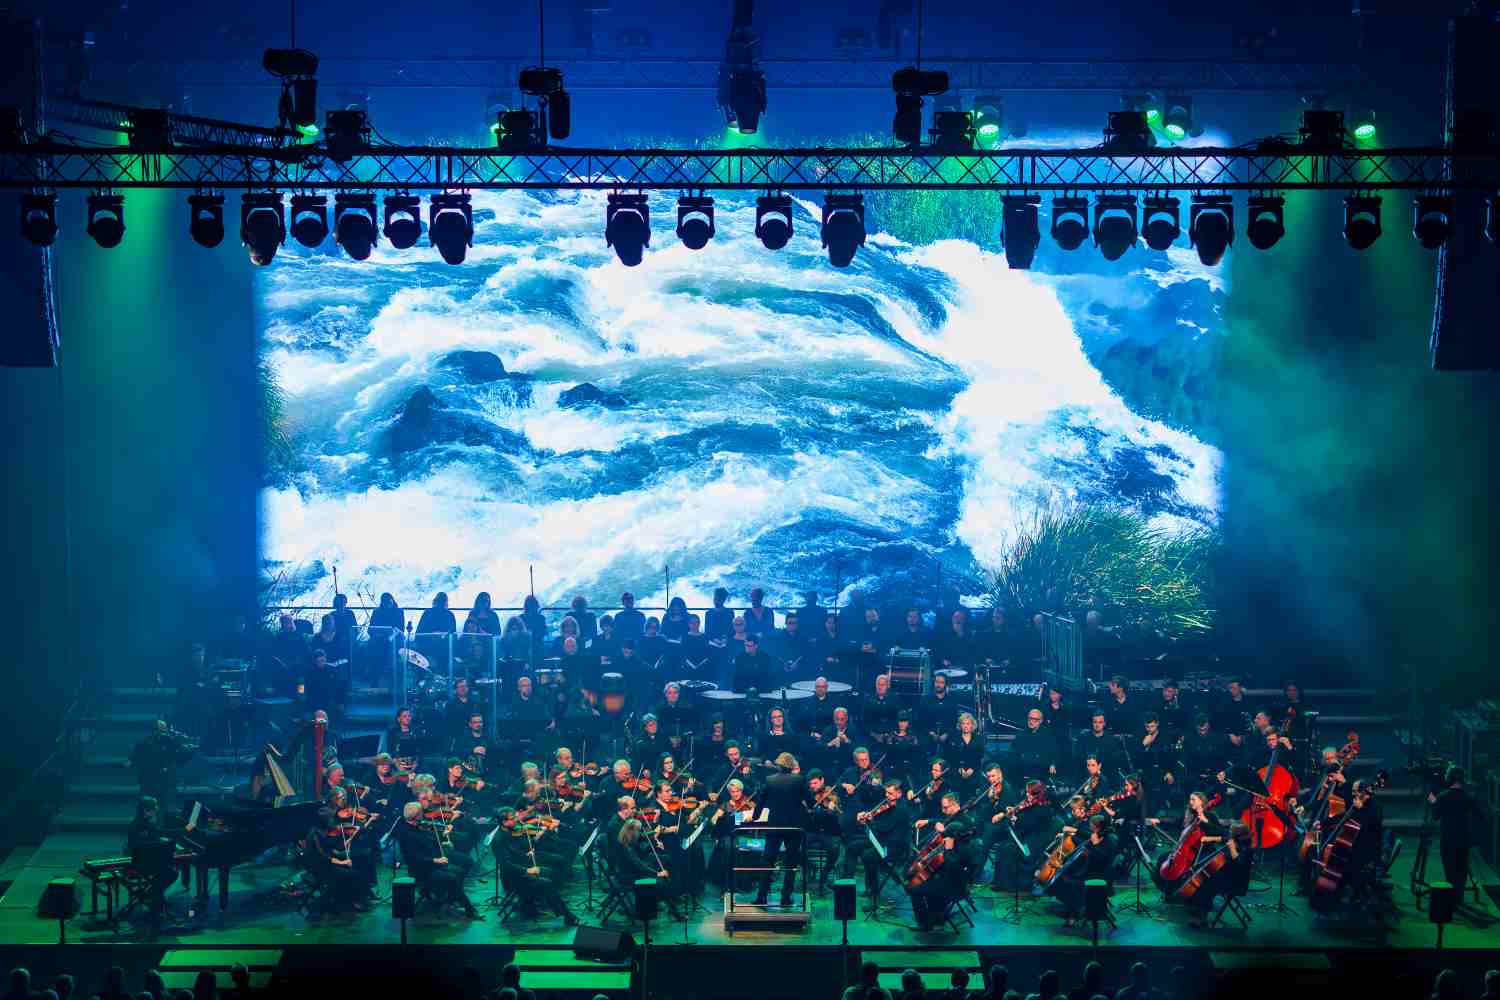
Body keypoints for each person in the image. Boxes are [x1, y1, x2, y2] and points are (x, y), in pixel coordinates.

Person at [396, 800, 482, 918]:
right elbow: (413, 858)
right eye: (421, 812)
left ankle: (451, 899)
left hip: (431, 864)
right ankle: (468, 909)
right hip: (421, 869)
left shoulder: (418, 827)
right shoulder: (407, 833)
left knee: (460, 871)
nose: (423, 814)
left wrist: (443, 835)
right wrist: (435, 860)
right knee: (452, 877)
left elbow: (430, 841)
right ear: (416, 815)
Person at [907, 790, 977, 931]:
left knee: (915, 889)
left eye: (945, 808)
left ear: (955, 805)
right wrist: (930, 822)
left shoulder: (963, 840)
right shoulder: (955, 825)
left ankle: (925, 923)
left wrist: (948, 847)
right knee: (924, 881)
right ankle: (936, 915)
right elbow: (944, 822)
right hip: (950, 875)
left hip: (955, 883)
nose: (943, 811)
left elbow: (953, 866)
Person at [496, 808, 578, 925]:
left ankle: (538, 905)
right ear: (504, 822)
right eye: (513, 818)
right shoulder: (499, 839)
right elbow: (505, 865)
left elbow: (517, 851)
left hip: (521, 867)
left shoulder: (510, 832)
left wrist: (527, 852)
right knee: (547, 882)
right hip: (513, 878)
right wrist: (527, 870)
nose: (517, 820)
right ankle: (566, 915)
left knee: (551, 874)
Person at [754, 751, 807, 906]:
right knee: (791, 862)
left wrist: (756, 816)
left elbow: (761, 801)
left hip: (775, 826)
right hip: (794, 827)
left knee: (768, 860)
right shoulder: (799, 780)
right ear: (791, 766)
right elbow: (809, 801)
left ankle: (761, 897)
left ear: (778, 765)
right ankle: (785, 898)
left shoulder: (770, 780)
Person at [1429, 765, 1483, 898]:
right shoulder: (1468, 797)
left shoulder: (1442, 797)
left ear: (1449, 778)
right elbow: (1480, 815)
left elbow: (1435, 817)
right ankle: (1459, 897)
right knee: (1462, 870)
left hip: (1447, 839)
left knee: (1450, 870)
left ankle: (1450, 899)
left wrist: (1433, 802)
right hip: (1464, 839)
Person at [129, 720, 194, 816]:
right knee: (147, 807)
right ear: (154, 731)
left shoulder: (170, 742)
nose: (166, 732)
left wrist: (188, 751)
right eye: (162, 730)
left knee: (164, 807)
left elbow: (179, 760)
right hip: (149, 781)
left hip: (165, 781)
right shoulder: (144, 743)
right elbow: (134, 759)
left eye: (165, 730)